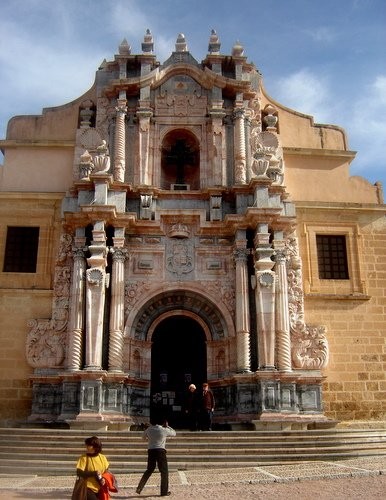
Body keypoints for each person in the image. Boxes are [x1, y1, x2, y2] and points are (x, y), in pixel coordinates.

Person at [136, 417, 176, 496]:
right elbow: (174, 433)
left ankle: (139, 487)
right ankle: (164, 492)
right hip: (160, 451)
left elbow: (143, 438)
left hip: (151, 451)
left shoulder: (149, 429)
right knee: (164, 472)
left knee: (149, 470)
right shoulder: (164, 430)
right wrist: (167, 426)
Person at [75, 435, 110, 500]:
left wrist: (103, 479)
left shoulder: (102, 457)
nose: (86, 447)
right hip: (87, 487)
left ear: (95, 447)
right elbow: (79, 472)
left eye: (89, 445)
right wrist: (93, 473)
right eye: (86, 445)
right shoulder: (84, 458)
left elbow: (106, 471)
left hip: (100, 487)